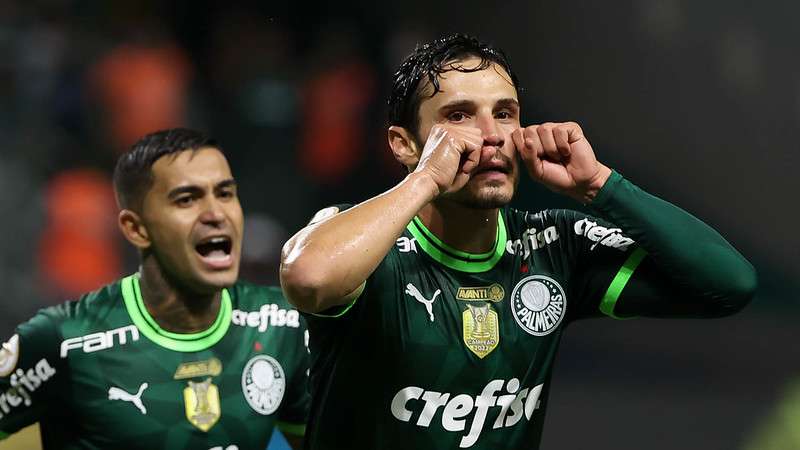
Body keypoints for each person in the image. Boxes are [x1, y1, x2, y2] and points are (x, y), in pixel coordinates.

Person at [279, 34, 757, 450]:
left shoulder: (555, 244)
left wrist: (600, 186)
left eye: (505, 114)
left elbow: (728, 284)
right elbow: (308, 277)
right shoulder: (364, 241)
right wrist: (426, 178)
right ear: (404, 143)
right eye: (460, 114)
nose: (491, 136)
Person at [0, 128, 309, 449]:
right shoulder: (65, 340)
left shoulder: (280, 325)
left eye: (225, 193)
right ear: (136, 229)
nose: (217, 214)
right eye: (187, 199)